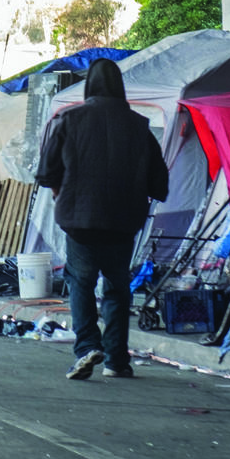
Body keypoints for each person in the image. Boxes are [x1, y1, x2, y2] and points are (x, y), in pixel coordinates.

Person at [35, 58, 168, 380]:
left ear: (90, 85)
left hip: (79, 220)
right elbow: (158, 180)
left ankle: (87, 347)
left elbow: (46, 172)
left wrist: (59, 193)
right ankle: (116, 360)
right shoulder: (138, 125)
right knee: (117, 287)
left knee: (80, 281)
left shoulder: (69, 119)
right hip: (123, 220)